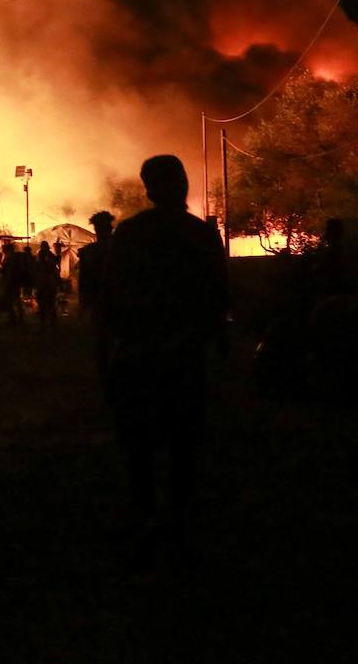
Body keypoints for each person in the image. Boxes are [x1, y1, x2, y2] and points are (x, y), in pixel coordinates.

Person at [104, 154, 227, 566]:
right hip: (182, 354)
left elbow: (113, 300)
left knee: (141, 444)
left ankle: (149, 517)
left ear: (149, 189)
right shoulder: (201, 236)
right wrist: (213, 341)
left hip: (140, 354)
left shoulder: (131, 234)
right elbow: (217, 297)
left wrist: (108, 351)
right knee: (181, 444)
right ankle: (175, 521)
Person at [77, 211, 115, 374]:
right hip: (114, 300)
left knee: (103, 339)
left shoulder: (89, 252)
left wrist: (84, 302)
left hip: (102, 300)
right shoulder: (122, 248)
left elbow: (83, 280)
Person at [34, 240, 61, 328]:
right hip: (49, 283)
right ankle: (51, 323)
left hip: (44, 283)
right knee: (50, 304)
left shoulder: (43, 255)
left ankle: (46, 324)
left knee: (45, 304)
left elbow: (39, 267)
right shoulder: (50, 256)